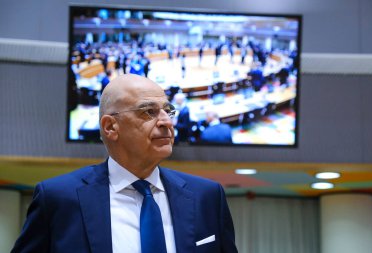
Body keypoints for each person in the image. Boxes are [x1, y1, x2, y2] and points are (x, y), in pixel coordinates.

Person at [11, 74, 238, 253]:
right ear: (110, 127)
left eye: (168, 111)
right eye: (149, 112)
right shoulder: (58, 198)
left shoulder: (207, 197)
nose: (167, 122)